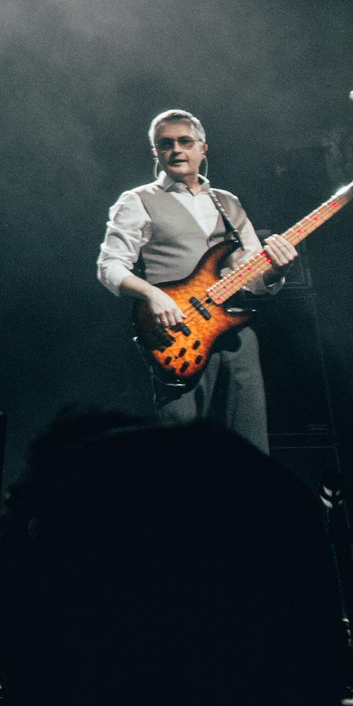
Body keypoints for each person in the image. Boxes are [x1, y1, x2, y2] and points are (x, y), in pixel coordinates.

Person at [95, 108, 297, 450]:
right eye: (166, 144)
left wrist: (277, 269)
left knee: (248, 449)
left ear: (203, 148)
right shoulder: (137, 200)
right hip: (177, 338)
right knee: (182, 450)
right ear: (156, 153)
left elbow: (252, 275)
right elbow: (109, 266)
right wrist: (152, 296)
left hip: (236, 338)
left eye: (185, 141)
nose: (176, 150)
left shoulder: (228, 203)